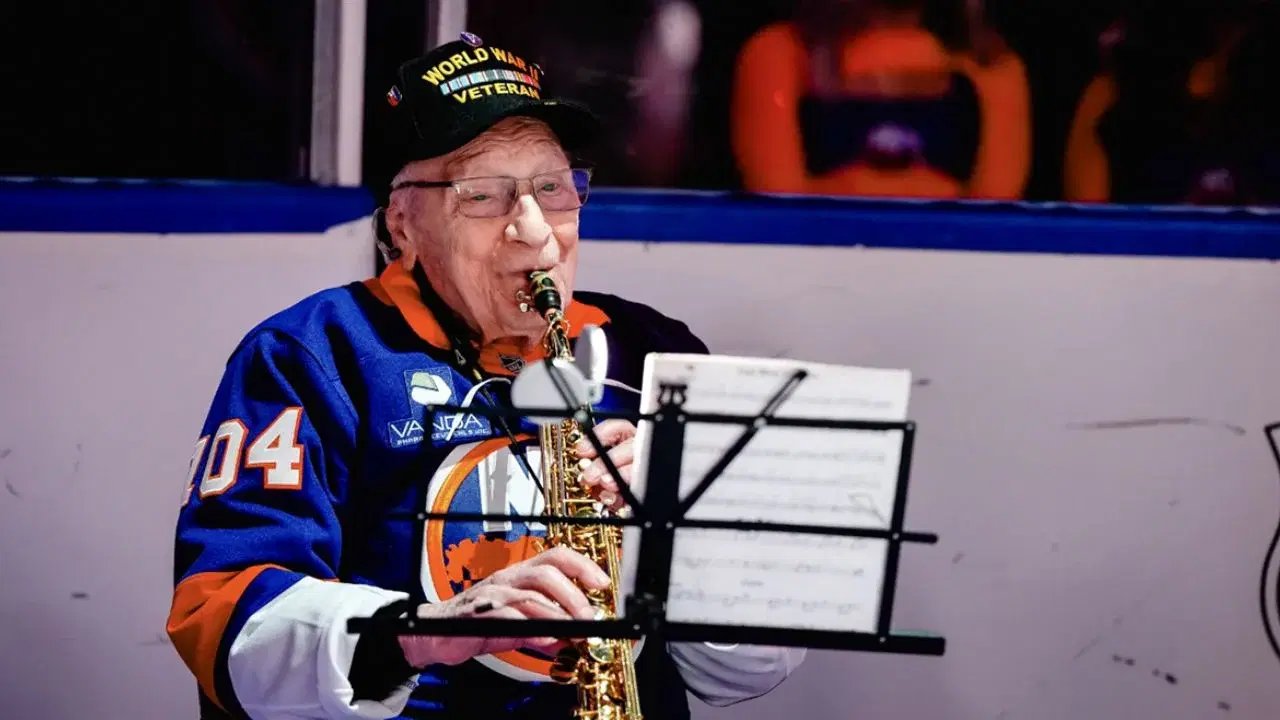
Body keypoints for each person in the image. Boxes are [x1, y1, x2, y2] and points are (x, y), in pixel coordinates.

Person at [165, 32, 805, 719]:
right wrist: (426, 631)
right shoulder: (312, 354)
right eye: (483, 195)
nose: (535, 231)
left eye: (554, 188)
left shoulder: (654, 355)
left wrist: (682, 535)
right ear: (404, 223)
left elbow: (751, 672)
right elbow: (222, 626)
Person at [730, 0, 1030, 200]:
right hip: (820, 275)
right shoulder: (781, 54)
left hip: (948, 275)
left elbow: (994, 211)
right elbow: (778, 208)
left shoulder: (990, 65)